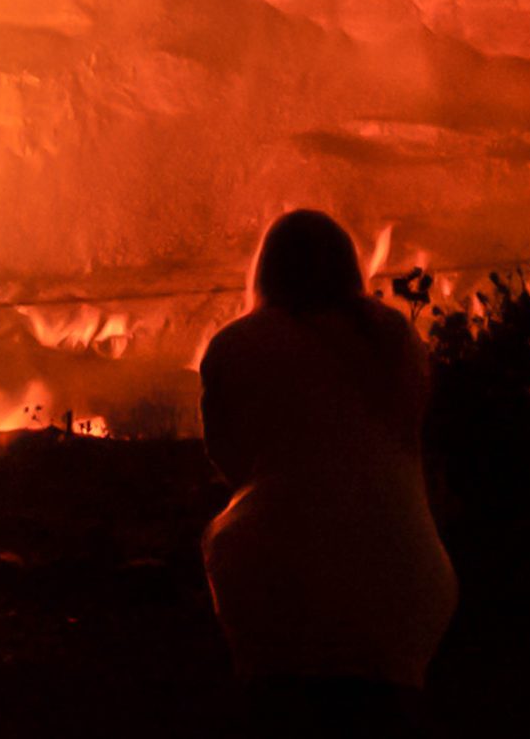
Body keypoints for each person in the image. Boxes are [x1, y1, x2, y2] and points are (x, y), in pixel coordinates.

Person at [199, 209, 455, 733]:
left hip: (280, 582)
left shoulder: (237, 344)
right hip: (410, 588)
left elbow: (230, 459)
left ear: (265, 272)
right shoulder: (396, 340)